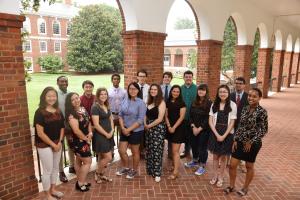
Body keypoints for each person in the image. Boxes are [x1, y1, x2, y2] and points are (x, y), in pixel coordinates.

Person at [224, 88, 268, 196]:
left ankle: (245, 188)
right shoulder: (245, 108)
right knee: (232, 165)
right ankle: (232, 186)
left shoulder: (262, 111)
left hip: (253, 143)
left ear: (259, 98)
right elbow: (240, 125)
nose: (251, 98)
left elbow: (264, 130)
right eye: (250, 96)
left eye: (254, 96)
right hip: (239, 141)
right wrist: (235, 139)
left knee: (249, 166)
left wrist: (251, 141)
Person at [34, 87, 65, 200]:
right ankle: (47, 195)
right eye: (49, 96)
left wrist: (60, 141)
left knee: (55, 168)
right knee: (47, 170)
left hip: (58, 143)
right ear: (44, 97)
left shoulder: (58, 110)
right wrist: (53, 145)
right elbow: (40, 133)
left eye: (54, 96)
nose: (52, 98)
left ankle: (53, 189)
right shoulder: (40, 112)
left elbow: (62, 127)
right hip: (44, 145)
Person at [208, 84, 236, 188]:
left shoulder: (233, 105)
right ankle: (215, 176)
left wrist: (223, 136)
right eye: (220, 92)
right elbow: (210, 121)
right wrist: (216, 134)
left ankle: (221, 177)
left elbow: (232, 122)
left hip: (227, 133)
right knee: (215, 156)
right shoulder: (214, 104)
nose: (222, 94)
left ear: (228, 93)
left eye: (224, 92)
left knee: (224, 157)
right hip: (215, 132)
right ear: (218, 93)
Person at [116, 82, 147, 179]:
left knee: (135, 152)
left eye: (134, 89)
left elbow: (140, 120)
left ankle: (134, 170)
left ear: (138, 90)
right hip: (124, 129)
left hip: (136, 131)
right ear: (128, 90)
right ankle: (125, 167)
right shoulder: (125, 100)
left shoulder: (141, 103)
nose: (132, 90)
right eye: (130, 89)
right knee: (121, 150)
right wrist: (123, 128)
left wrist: (128, 129)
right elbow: (120, 115)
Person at [65, 92, 92, 192]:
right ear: (70, 102)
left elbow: (88, 121)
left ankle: (82, 180)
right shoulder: (71, 115)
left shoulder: (82, 109)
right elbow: (76, 131)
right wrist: (86, 139)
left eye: (77, 98)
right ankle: (80, 183)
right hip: (78, 141)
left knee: (78, 160)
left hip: (85, 138)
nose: (76, 100)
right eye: (73, 99)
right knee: (88, 161)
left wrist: (90, 132)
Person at [185, 84, 212, 176]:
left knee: (202, 148)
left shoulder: (209, 103)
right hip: (193, 128)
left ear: (206, 92)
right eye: (199, 90)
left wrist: (199, 129)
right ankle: (195, 160)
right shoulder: (194, 101)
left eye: (203, 90)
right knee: (194, 145)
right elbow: (190, 115)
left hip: (204, 130)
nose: (201, 92)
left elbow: (208, 118)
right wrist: (193, 126)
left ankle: (202, 165)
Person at [91, 88, 115, 183]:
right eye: (101, 94)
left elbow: (111, 119)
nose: (104, 96)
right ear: (97, 95)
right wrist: (106, 134)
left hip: (109, 134)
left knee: (102, 157)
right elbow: (96, 125)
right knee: (108, 157)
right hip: (101, 135)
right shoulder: (95, 107)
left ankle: (102, 175)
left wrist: (112, 130)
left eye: (105, 94)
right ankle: (97, 173)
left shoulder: (106, 105)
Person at [144, 84, 166, 183]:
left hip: (158, 128)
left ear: (158, 91)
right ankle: (150, 169)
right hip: (148, 128)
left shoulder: (161, 102)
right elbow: (145, 115)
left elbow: (160, 119)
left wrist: (148, 126)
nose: (153, 91)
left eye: (155, 89)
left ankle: (157, 173)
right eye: (151, 89)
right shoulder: (149, 101)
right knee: (149, 149)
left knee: (157, 150)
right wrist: (145, 124)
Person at [165, 85, 186, 180]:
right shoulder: (168, 101)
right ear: (171, 92)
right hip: (170, 128)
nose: (175, 93)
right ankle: (174, 166)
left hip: (178, 128)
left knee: (175, 151)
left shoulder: (182, 103)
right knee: (172, 150)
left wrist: (174, 127)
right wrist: (169, 126)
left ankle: (176, 172)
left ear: (180, 93)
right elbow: (166, 116)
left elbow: (181, 117)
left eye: (177, 92)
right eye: (174, 91)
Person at [56, 76, 75, 182]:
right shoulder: (55, 95)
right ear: (57, 83)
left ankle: (72, 166)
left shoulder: (70, 94)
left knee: (71, 146)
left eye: (66, 81)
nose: (64, 83)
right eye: (62, 81)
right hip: (58, 127)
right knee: (60, 148)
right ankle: (61, 172)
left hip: (70, 125)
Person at [230, 77, 249, 171]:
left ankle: (242, 162)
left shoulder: (248, 96)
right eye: (236, 83)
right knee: (230, 140)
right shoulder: (230, 95)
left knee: (241, 142)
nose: (238, 85)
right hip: (231, 123)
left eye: (240, 83)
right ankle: (231, 159)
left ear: (244, 85)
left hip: (243, 124)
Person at [108, 73, 126, 157]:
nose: (116, 80)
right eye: (114, 79)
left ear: (119, 80)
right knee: (111, 133)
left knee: (121, 133)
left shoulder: (124, 91)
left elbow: (125, 103)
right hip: (111, 115)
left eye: (117, 79)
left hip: (120, 115)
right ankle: (111, 151)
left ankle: (121, 150)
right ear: (112, 80)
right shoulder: (108, 91)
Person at [180, 70, 197, 159]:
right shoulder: (180, 88)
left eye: (190, 77)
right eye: (186, 77)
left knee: (191, 136)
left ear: (192, 77)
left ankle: (189, 151)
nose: (188, 78)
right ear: (184, 78)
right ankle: (185, 151)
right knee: (184, 134)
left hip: (193, 117)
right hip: (182, 117)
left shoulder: (196, 89)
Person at [160, 71, 173, 159]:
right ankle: (160, 151)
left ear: (171, 79)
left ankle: (170, 153)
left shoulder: (174, 89)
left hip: (171, 114)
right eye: (165, 77)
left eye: (168, 77)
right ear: (163, 78)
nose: (167, 78)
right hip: (160, 113)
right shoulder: (159, 88)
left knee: (170, 134)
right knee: (161, 133)